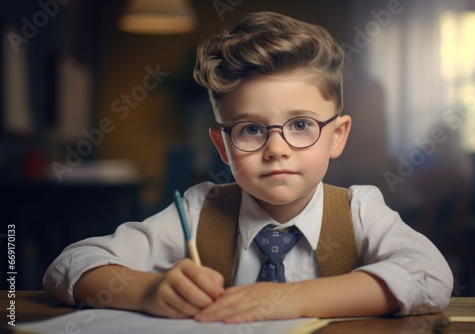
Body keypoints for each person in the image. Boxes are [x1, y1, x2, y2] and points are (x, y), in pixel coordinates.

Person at [43, 11, 453, 323]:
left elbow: (431, 275)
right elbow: (69, 265)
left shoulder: (360, 210)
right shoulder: (198, 209)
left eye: (301, 125)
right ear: (222, 145)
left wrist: (295, 298)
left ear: (337, 135)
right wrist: (150, 291)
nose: (277, 148)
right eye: (252, 129)